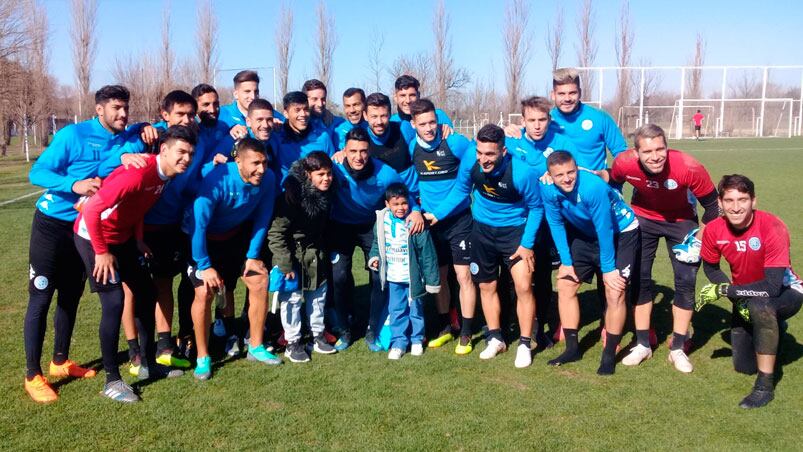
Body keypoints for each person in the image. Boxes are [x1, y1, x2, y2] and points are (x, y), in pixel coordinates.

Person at [24, 85, 146, 403]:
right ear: (99, 109)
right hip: (52, 226)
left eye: (126, 108)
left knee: (71, 295)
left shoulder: (130, 136)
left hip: (85, 232)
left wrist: (149, 128)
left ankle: (60, 361)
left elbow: (159, 128)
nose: (123, 114)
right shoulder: (72, 136)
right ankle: (32, 375)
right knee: (41, 296)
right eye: (116, 108)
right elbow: (36, 172)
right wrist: (73, 184)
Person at [73, 125, 197, 402]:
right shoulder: (138, 172)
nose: (186, 158)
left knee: (148, 292)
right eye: (181, 152)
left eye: (190, 153)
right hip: (93, 237)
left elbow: (138, 206)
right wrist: (102, 252)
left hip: (124, 238)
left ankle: (147, 362)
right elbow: (92, 210)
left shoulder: (165, 176)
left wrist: (139, 239)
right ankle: (112, 380)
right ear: (163, 150)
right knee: (114, 302)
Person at [606, 124, 718, 372]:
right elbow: (613, 186)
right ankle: (643, 344)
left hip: (682, 223)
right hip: (643, 219)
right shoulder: (624, 163)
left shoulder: (688, 166)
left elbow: (713, 206)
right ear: (636, 153)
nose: (655, 156)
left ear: (667, 147)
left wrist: (700, 235)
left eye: (660, 149)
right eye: (648, 151)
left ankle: (678, 347)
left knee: (685, 282)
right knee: (640, 280)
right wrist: (619, 214)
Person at [440, 124, 544, 367]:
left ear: (503, 152)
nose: (483, 159)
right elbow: (460, 191)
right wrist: (437, 214)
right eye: (480, 152)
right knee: (486, 287)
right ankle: (495, 338)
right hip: (482, 232)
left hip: (515, 235)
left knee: (523, 286)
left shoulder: (521, 172)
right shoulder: (472, 164)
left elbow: (537, 208)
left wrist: (527, 244)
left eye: (490, 154)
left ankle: (525, 344)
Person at [697, 174, 802, 409]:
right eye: (730, 200)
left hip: (786, 292)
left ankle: (764, 387)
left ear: (753, 201)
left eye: (742, 200)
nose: (736, 207)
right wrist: (731, 290)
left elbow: (773, 287)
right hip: (744, 293)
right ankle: (774, 331)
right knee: (744, 366)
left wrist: (728, 290)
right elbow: (711, 267)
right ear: (720, 204)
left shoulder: (772, 226)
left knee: (761, 307)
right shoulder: (713, 229)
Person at [185, 137, 280, 380]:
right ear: (238, 160)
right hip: (203, 240)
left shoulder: (268, 178)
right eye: (255, 163)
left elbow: (263, 218)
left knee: (259, 279)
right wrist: (204, 266)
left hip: (235, 236)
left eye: (264, 162)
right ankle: (203, 356)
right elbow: (199, 224)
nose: (261, 169)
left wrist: (252, 256)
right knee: (204, 292)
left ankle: (256, 346)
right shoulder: (217, 179)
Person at [542, 151, 640, 375]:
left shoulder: (592, 187)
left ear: (577, 169)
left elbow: (604, 228)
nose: (567, 179)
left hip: (620, 232)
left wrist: (607, 269)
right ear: (550, 175)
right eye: (560, 175)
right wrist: (566, 262)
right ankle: (572, 349)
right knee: (566, 284)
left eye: (571, 172)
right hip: (586, 234)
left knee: (615, 291)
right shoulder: (546, 188)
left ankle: (609, 355)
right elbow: (555, 224)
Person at [328, 128, 424, 351]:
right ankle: (344, 328)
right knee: (339, 275)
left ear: (370, 151)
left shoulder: (385, 173)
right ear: (344, 150)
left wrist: (416, 210)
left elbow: (405, 194)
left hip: (372, 226)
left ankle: (373, 328)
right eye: (353, 151)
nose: (358, 156)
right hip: (340, 226)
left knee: (379, 274)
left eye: (363, 151)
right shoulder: (336, 169)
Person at [505, 96, 579, 345]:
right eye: (531, 120)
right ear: (522, 121)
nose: (537, 125)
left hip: (550, 221)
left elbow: (575, 175)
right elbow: (482, 150)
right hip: (518, 220)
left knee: (544, 274)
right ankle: (520, 324)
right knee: (519, 274)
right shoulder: (511, 140)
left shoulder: (562, 144)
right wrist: (504, 130)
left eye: (542, 120)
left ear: (549, 120)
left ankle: (542, 328)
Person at [411, 99, 476, 355]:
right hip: (431, 224)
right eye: (423, 123)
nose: (429, 128)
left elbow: (466, 185)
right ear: (413, 124)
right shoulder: (411, 148)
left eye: (432, 122)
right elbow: (411, 186)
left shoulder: (456, 142)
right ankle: (445, 326)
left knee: (463, 276)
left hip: (459, 221)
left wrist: (439, 213)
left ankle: (467, 332)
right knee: (439, 277)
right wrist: (419, 211)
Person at [268, 152, 337, 362]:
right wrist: (285, 264)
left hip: (316, 255)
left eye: (329, 173)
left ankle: (317, 336)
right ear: (308, 174)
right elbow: (276, 233)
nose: (326, 178)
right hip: (293, 257)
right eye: (320, 174)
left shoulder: (328, 193)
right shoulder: (291, 197)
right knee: (293, 300)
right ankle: (292, 342)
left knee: (317, 297)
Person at [368, 183, 440, 360]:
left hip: (413, 277)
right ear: (387, 204)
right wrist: (375, 257)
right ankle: (399, 342)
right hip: (393, 277)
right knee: (396, 309)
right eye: (396, 204)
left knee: (416, 309)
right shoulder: (381, 221)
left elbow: (428, 253)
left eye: (404, 203)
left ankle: (416, 340)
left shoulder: (416, 222)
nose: (401, 208)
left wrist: (432, 281)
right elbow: (377, 244)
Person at [548, 68, 627, 172]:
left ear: (580, 93)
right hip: (559, 186)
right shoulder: (544, 122)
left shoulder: (599, 117)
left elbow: (622, 155)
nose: (567, 99)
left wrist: (613, 182)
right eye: (561, 94)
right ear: (553, 95)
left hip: (594, 185)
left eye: (572, 93)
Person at [272, 91, 336, 182]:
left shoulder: (323, 137)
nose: (303, 114)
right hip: (285, 194)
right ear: (286, 113)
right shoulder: (276, 136)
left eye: (306, 109)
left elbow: (332, 170)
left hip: (316, 195)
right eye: (297, 110)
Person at [391, 75, 454, 142]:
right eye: (402, 95)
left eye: (412, 95)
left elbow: (454, 145)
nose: (408, 101)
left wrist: (450, 131)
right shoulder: (392, 122)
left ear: (418, 95)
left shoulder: (439, 116)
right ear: (395, 98)